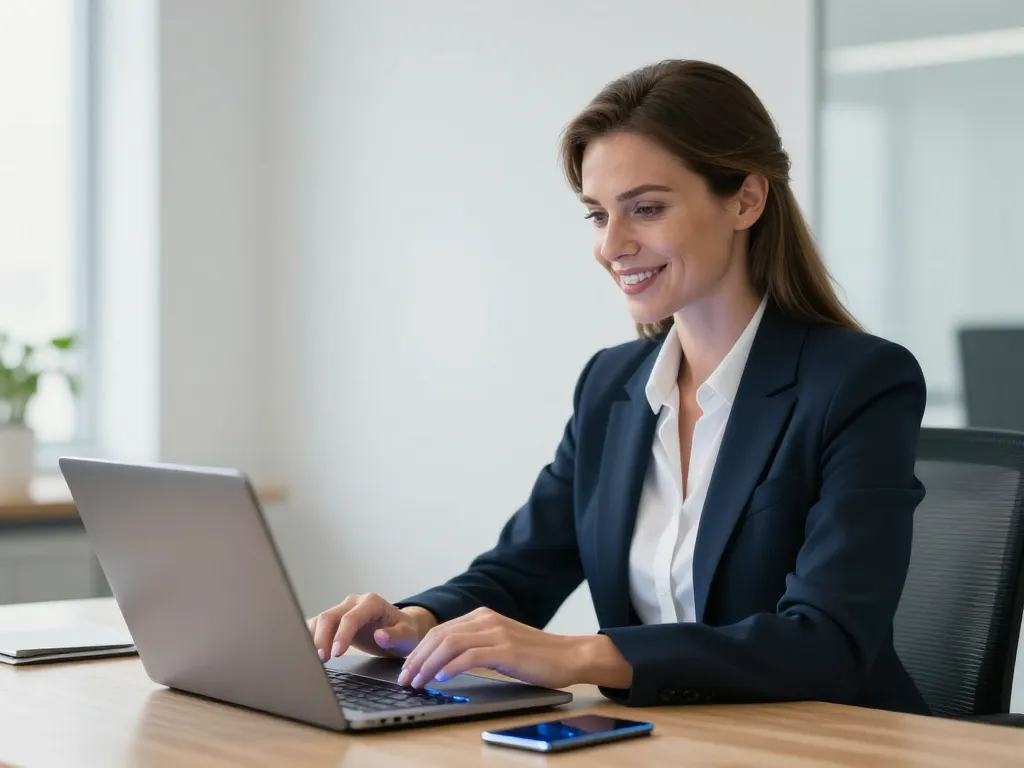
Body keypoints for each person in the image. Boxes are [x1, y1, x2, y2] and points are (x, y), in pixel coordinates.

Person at [308, 59, 929, 715]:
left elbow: (825, 644)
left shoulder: (857, 383)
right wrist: (416, 619)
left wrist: (582, 654)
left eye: (647, 209)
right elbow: (522, 570)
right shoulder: (612, 387)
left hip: (832, 746)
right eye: (597, 216)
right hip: (674, 744)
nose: (613, 245)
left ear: (746, 199)